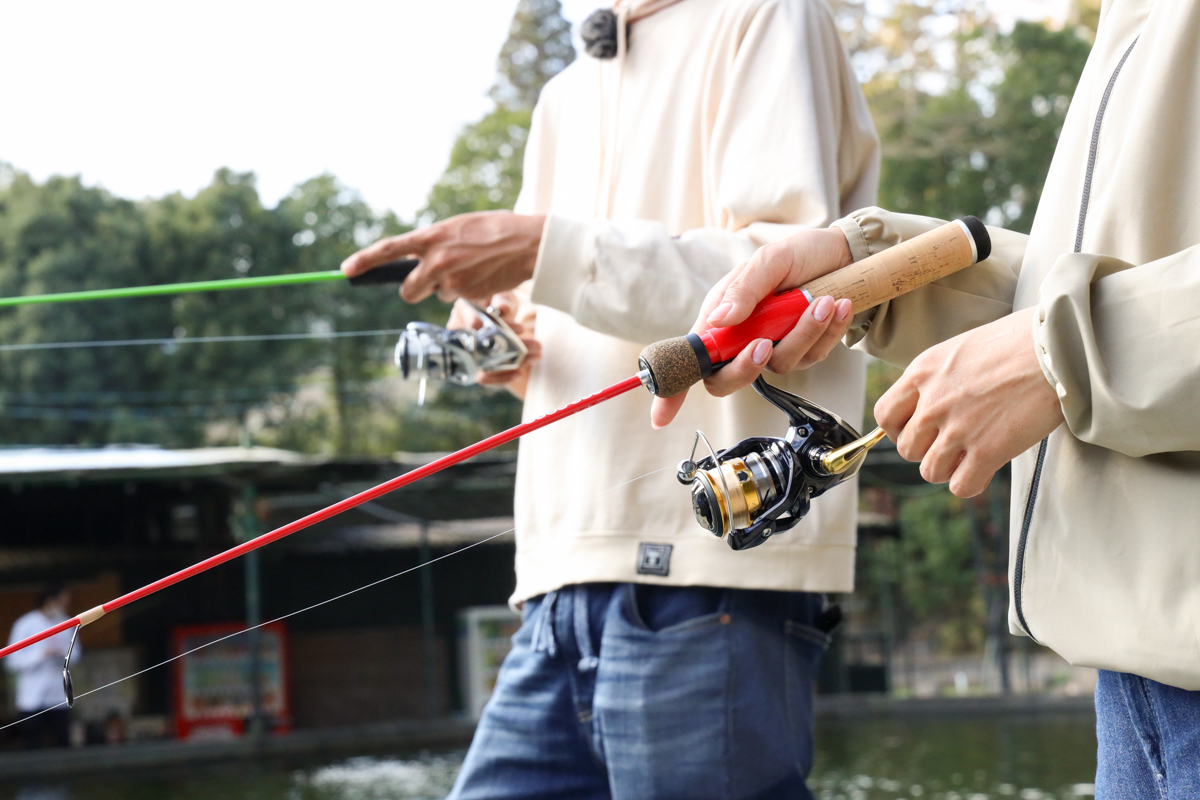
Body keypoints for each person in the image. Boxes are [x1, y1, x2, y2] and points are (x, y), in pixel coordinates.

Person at [658, 1, 1200, 794]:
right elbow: (1116, 267)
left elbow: (1080, 322)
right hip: (1137, 688)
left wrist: (1060, 355)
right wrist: (865, 270)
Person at [343, 0, 878, 795]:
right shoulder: (565, 92)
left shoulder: (767, 14)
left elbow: (792, 280)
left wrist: (538, 248)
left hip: (710, 582)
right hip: (555, 590)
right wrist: (515, 346)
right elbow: (578, 298)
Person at [6, 586, 78, 749]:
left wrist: (61, 654)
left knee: (63, 742)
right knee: (31, 744)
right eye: (62, 602)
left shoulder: (67, 623)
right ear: (50, 601)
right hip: (32, 698)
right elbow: (12, 661)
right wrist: (40, 655)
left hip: (59, 697)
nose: (65, 606)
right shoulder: (25, 624)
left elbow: (76, 654)